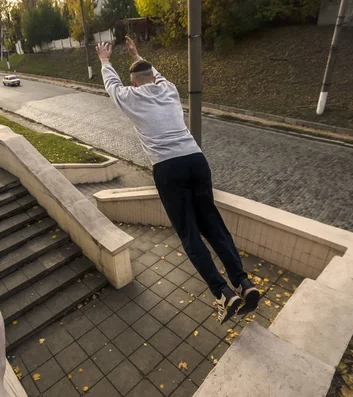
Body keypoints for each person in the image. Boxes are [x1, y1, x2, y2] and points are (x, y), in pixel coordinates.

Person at [96, 38, 260, 324]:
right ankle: (244, 283)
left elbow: (112, 85)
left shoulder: (130, 97)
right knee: (213, 224)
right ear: (153, 79)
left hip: (168, 169)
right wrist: (138, 55)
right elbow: (154, 74)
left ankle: (223, 293)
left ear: (134, 84)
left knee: (189, 233)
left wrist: (104, 60)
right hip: (196, 160)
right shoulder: (169, 89)